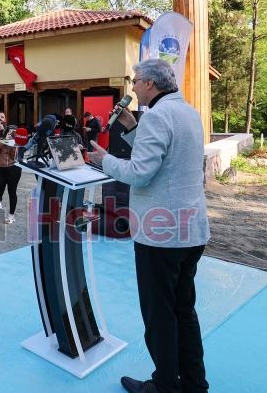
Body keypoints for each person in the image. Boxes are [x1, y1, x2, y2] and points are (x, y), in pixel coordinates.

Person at [87, 58, 210, 393]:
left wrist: (104, 160)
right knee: (184, 311)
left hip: (161, 236)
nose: (133, 86)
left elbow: (140, 173)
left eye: (136, 80)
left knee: (159, 317)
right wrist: (131, 127)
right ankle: (195, 384)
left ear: (150, 85)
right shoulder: (187, 112)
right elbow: (165, 151)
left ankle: (165, 385)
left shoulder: (156, 115)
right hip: (190, 231)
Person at [0, 124, 21, 224]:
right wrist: (5, 140)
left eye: (14, 132)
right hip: (0, 169)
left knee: (12, 192)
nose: (12, 134)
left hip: (13, 169)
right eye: (10, 132)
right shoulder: (0, 139)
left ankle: (11, 215)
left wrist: (13, 144)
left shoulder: (17, 142)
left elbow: (14, 156)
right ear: (6, 132)